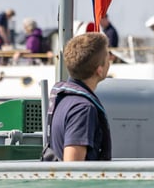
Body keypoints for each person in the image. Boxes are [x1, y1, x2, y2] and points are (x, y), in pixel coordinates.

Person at [43, 32, 111, 161]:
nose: (110, 60)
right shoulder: (82, 109)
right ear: (99, 70)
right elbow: (72, 170)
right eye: (107, 56)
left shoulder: (63, 98)